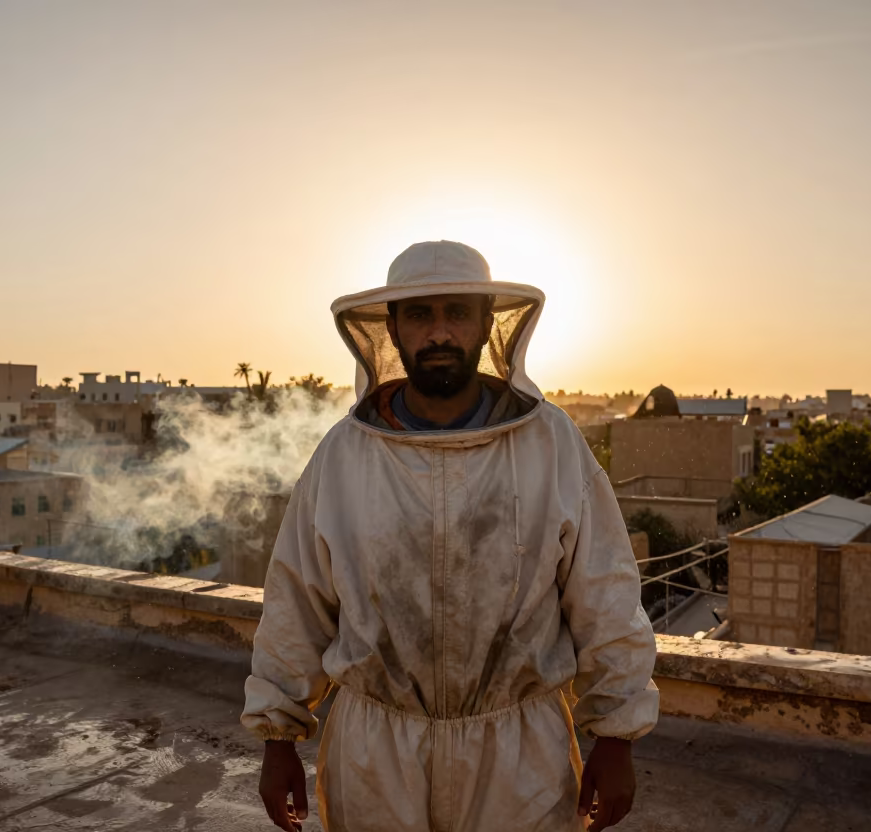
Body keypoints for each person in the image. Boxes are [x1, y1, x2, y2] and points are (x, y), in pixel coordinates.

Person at [242, 240, 659, 831]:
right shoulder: (344, 454)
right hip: (374, 758)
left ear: (488, 323)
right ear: (392, 328)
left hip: (520, 759)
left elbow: (606, 593)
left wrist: (617, 738)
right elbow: (296, 600)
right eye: (420, 314)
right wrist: (276, 738)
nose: (439, 332)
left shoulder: (550, 444)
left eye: (457, 312)